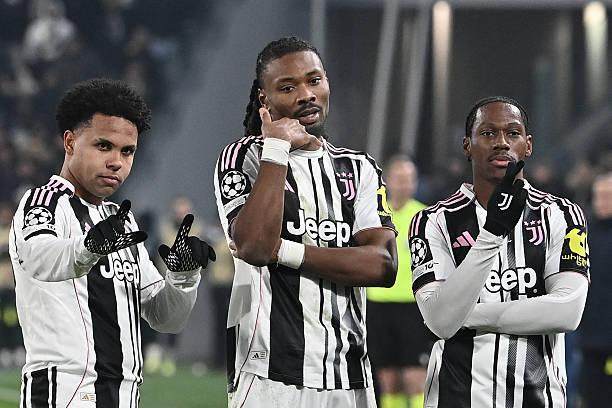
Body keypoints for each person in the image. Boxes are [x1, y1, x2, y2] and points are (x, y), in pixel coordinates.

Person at [8, 78, 215, 407]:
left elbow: (165, 317)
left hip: (124, 395)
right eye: (103, 146)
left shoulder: (121, 221)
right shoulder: (43, 203)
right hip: (64, 391)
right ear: (70, 142)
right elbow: (39, 258)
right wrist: (88, 248)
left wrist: (184, 276)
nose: (116, 161)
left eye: (127, 151)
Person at [214, 37, 397, 408]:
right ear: (264, 100)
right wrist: (276, 148)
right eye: (287, 87)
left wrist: (284, 250)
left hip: (349, 378)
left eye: (314, 80)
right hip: (269, 376)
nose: (306, 95)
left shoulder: (358, 168)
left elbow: (382, 265)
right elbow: (254, 246)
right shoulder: (244, 158)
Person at [409, 96, 589, 407]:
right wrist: (492, 233)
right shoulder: (432, 221)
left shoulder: (561, 214)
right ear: (467, 145)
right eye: (488, 133)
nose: (502, 142)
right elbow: (440, 322)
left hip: (538, 399)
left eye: (513, 133)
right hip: (456, 399)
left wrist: (466, 315)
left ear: (528, 146)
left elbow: (567, 312)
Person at [366, 155, 428, 408]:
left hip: (413, 306)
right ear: (388, 181)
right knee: (388, 378)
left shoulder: (424, 216)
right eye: (400, 179)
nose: (405, 185)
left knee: (415, 377)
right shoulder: (373, 215)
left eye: (410, 179)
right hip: (378, 304)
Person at [579, 172, 612, 407]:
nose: (601, 202)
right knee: (592, 394)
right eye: (598, 196)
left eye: (607, 196)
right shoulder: (583, 232)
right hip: (590, 335)